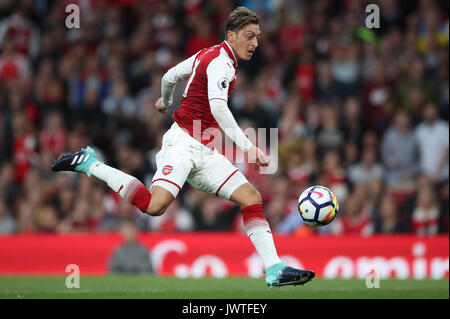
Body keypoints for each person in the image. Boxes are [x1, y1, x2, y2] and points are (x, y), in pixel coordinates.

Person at [52, 7, 314, 287]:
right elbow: (218, 106)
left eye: (258, 37)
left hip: (205, 150)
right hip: (183, 144)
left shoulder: (208, 54)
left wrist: (165, 100)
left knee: (251, 197)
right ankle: (90, 163)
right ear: (232, 35)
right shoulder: (222, 63)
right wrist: (248, 147)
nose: (255, 43)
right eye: (250, 36)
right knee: (155, 207)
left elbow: (169, 77)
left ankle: (274, 269)